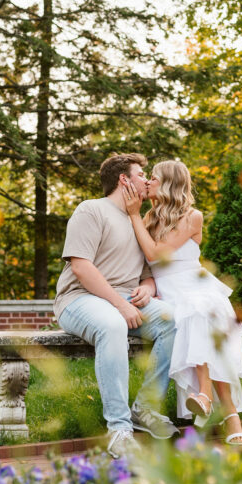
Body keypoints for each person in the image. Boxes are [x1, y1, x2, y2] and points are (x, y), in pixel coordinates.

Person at [54, 153, 180, 459]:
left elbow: (149, 273)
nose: (148, 180)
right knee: (112, 324)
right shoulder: (91, 210)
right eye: (141, 174)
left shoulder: (140, 221)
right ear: (124, 180)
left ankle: (145, 409)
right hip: (79, 298)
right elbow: (81, 268)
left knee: (171, 319)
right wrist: (119, 305)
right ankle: (119, 429)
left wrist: (147, 290)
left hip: (124, 299)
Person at [123, 160, 242, 445]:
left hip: (194, 285)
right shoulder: (149, 219)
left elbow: (156, 254)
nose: (148, 183)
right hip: (168, 292)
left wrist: (133, 216)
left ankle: (206, 395)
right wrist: (148, 283)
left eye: (153, 178)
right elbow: (147, 264)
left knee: (200, 312)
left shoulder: (193, 216)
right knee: (195, 317)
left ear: (168, 184)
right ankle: (227, 414)